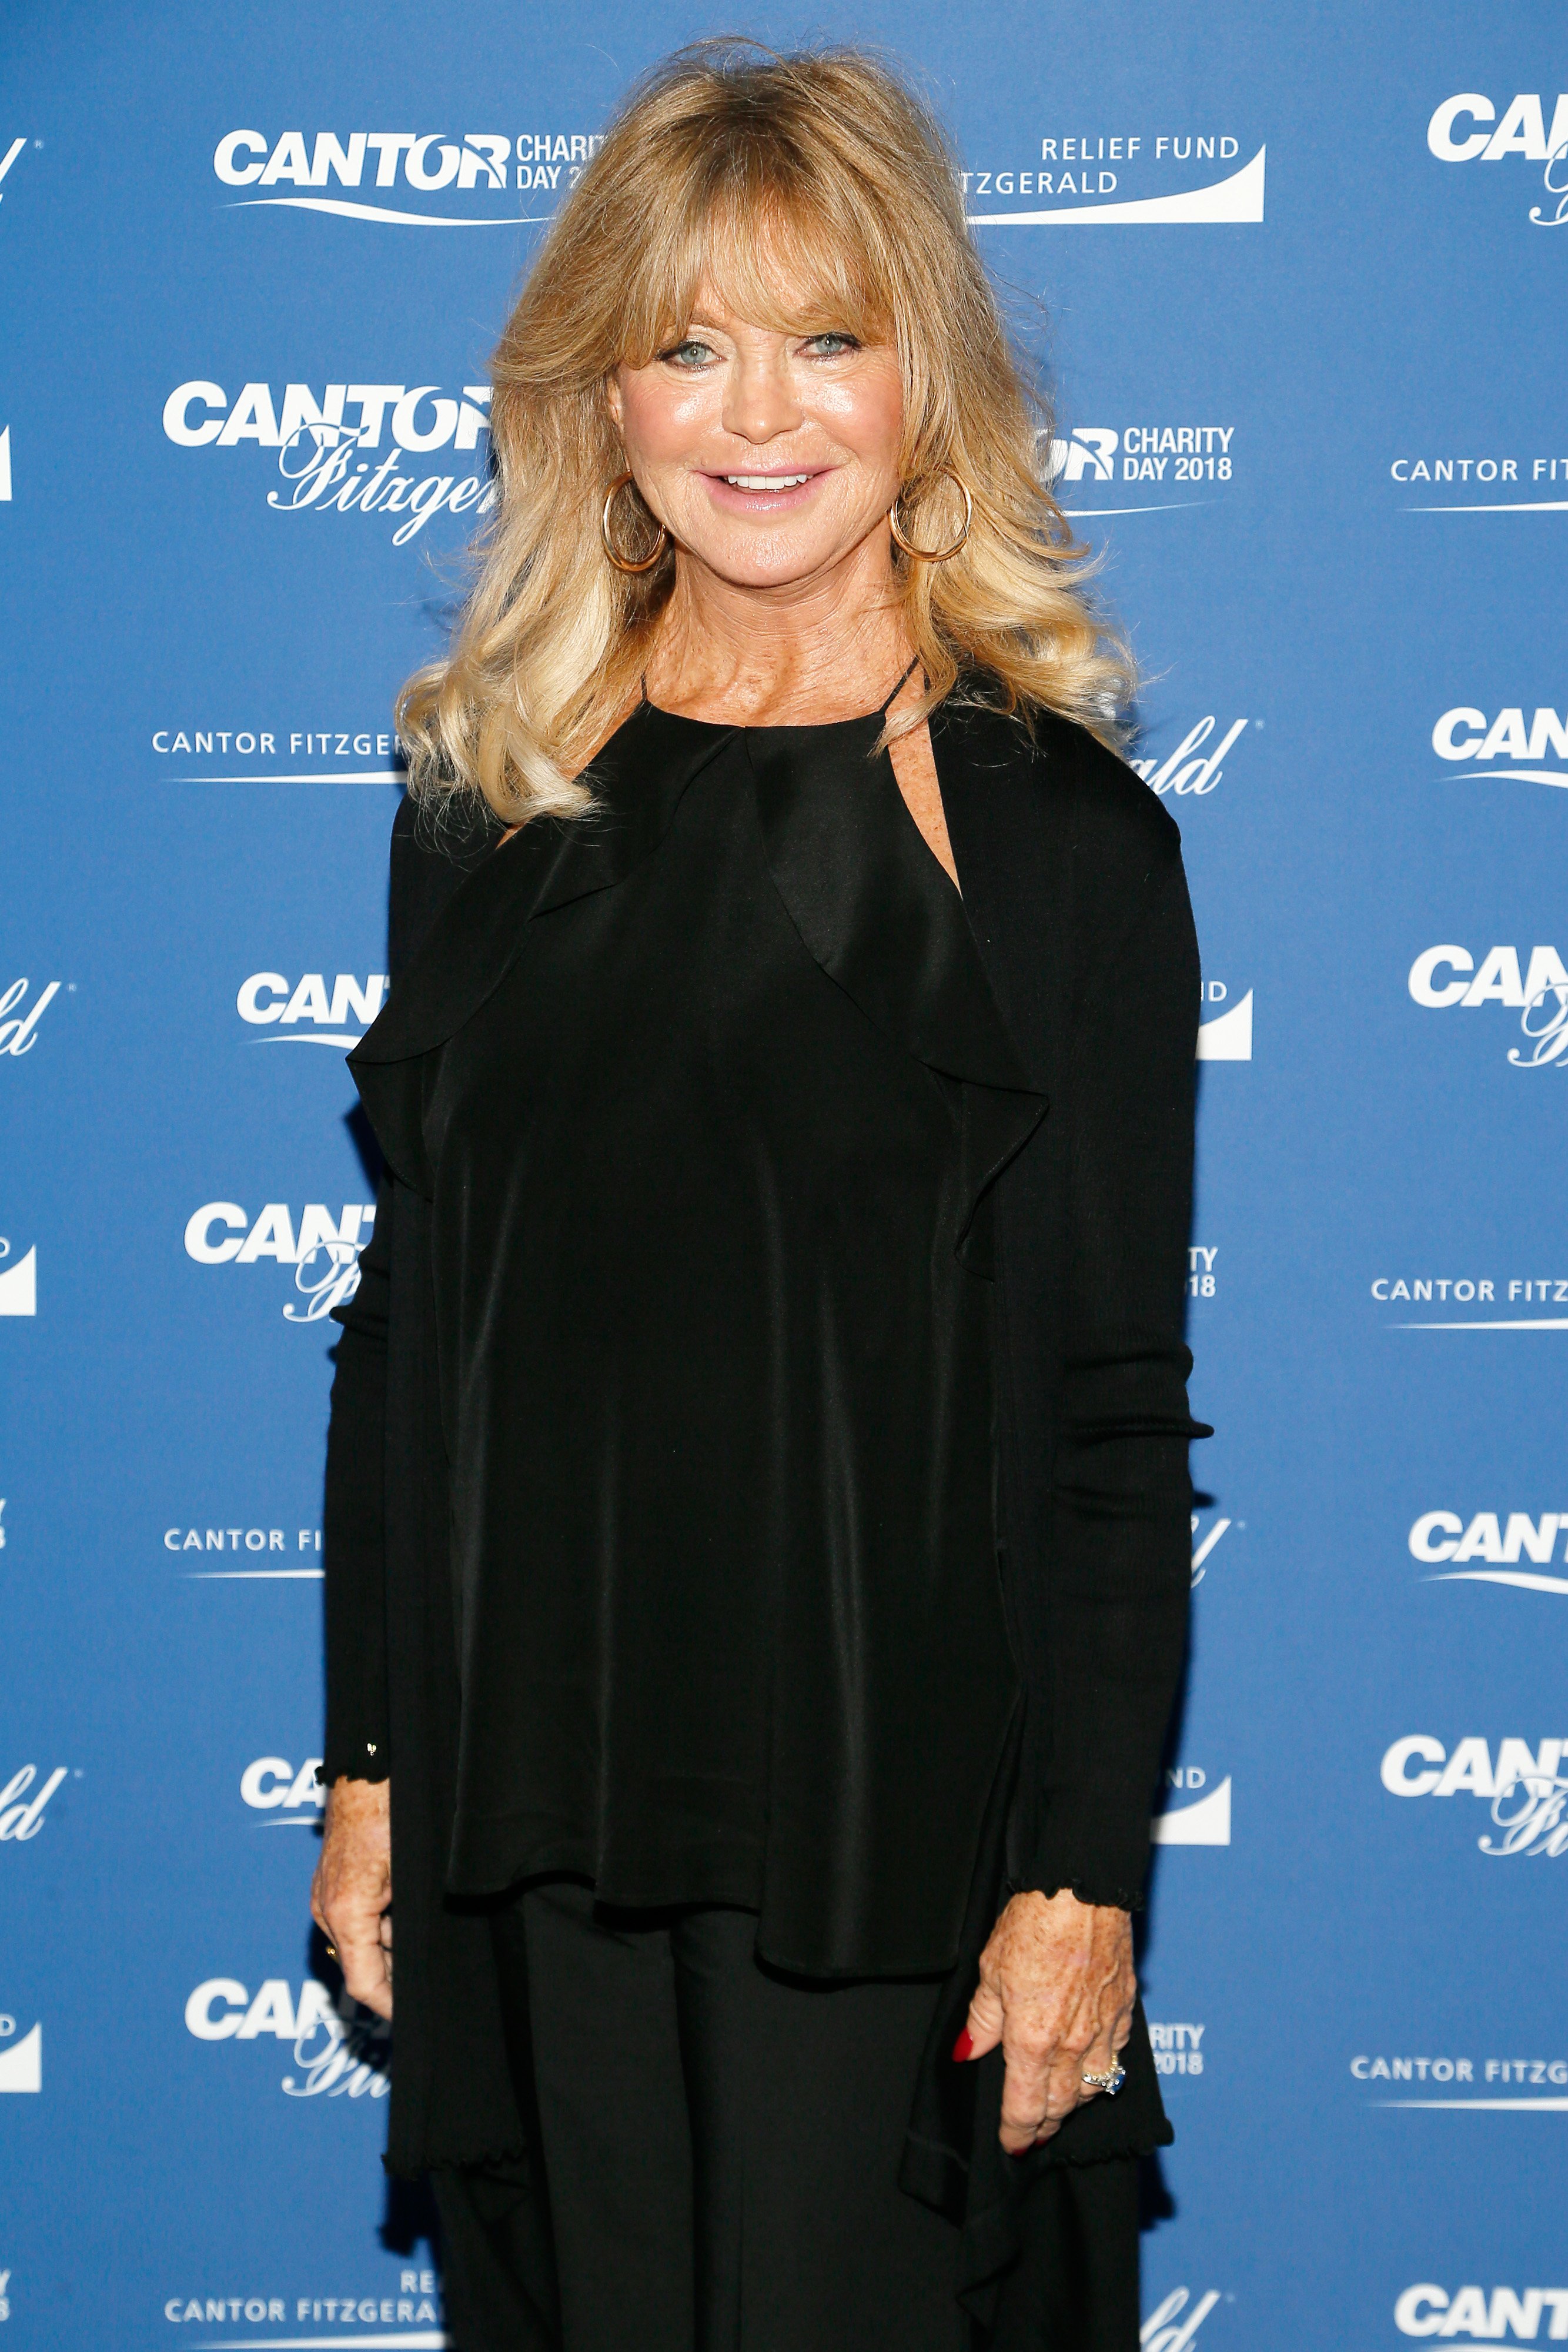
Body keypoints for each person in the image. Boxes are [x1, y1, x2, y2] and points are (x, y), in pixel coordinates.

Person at [312, 41, 1206, 2352]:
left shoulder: (1055, 842)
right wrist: (374, 1767)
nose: (757, 409)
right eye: (685, 343)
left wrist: (1079, 1879)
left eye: (826, 334)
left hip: (889, 1855)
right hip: (529, 1836)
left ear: (931, 377)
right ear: (600, 399)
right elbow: (407, 1331)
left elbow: (1109, 1414)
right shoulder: (483, 799)